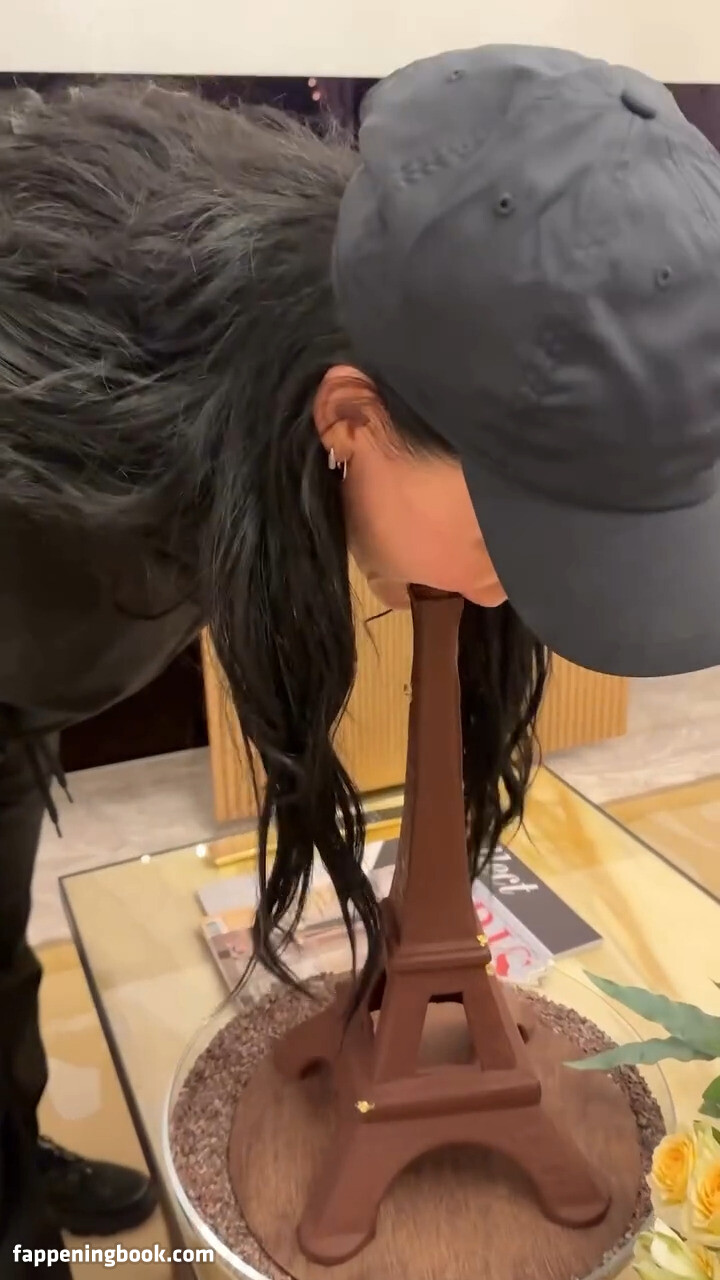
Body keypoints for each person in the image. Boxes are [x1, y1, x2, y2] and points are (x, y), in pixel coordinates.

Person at [2, 43, 720, 1274]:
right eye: (512, 542)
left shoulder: (338, 299)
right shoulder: (71, 471)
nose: (510, 595)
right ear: (348, 418)